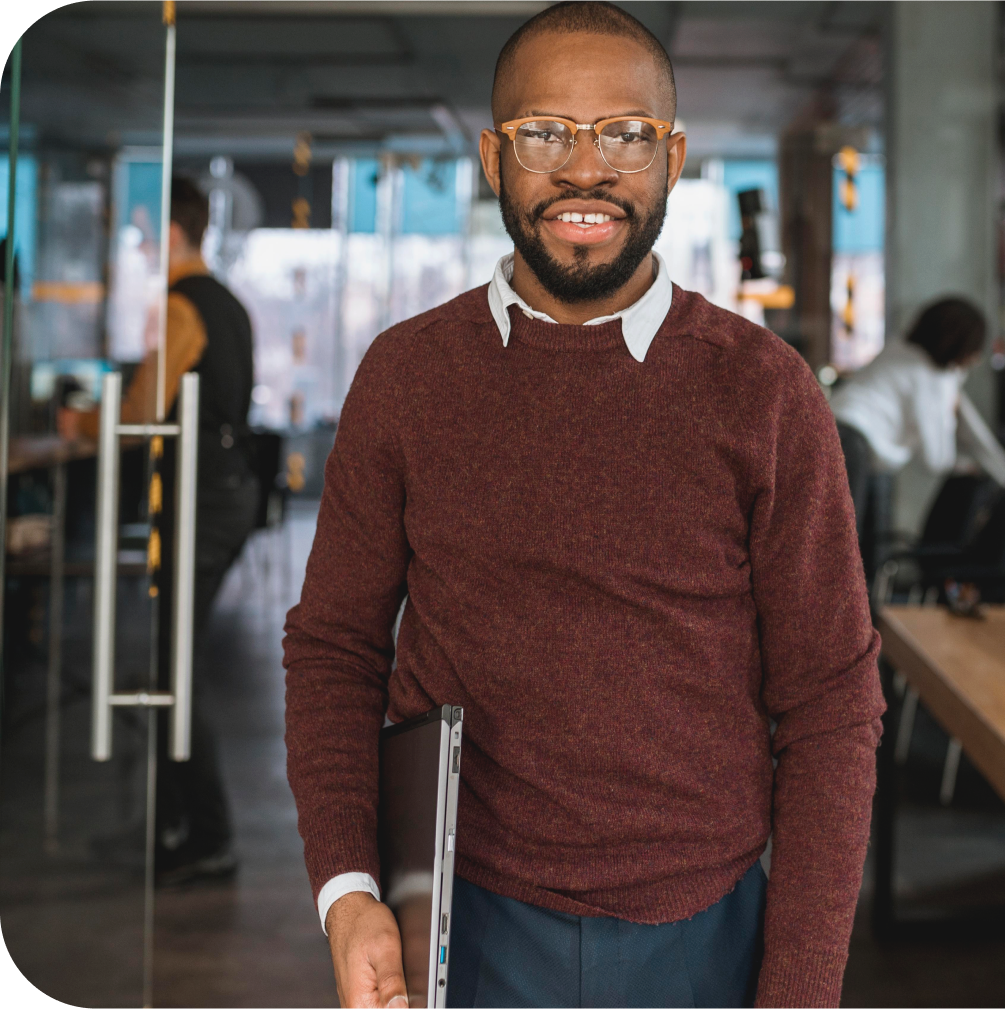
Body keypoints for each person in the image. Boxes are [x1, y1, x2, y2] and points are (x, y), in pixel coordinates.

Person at [283, 3, 884, 1007]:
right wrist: (347, 891)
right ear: (492, 156)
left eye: (625, 134)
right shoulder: (408, 376)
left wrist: (801, 982)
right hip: (462, 921)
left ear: (673, 157)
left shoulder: (763, 388)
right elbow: (337, 647)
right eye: (545, 133)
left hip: (706, 930)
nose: (585, 168)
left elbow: (831, 700)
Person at [61, 177, 258, 884]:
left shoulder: (184, 305)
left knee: (177, 674)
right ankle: (177, 824)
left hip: (201, 506)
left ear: (170, 234)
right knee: (177, 670)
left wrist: (79, 422)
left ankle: (207, 834)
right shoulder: (226, 301)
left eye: (143, 234)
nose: (140, 247)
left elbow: (142, 405)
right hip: (224, 496)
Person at [830, 297, 1005, 555]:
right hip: (852, 446)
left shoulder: (900, 349)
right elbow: (937, 459)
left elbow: (972, 428)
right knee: (844, 549)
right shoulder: (931, 379)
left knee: (855, 543)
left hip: (835, 429)